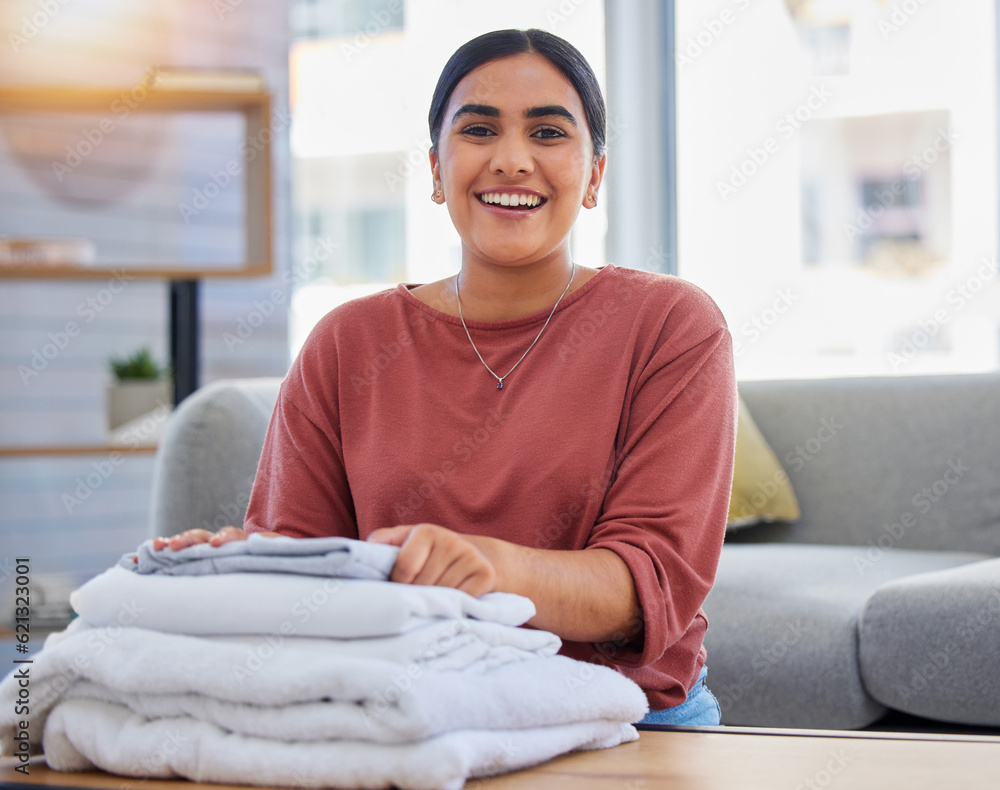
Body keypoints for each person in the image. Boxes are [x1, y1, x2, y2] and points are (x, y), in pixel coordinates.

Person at [154, 28, 737, 726]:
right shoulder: (348, 342)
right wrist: (243, 564)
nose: (513, 160)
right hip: (406, 710)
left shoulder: (672, 324)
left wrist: (485, 569)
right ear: (436, 170)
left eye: (548, 132)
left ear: (596, 176)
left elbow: (648, 592)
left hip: (625, 720)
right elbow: (310, 568)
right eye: (480, 129)